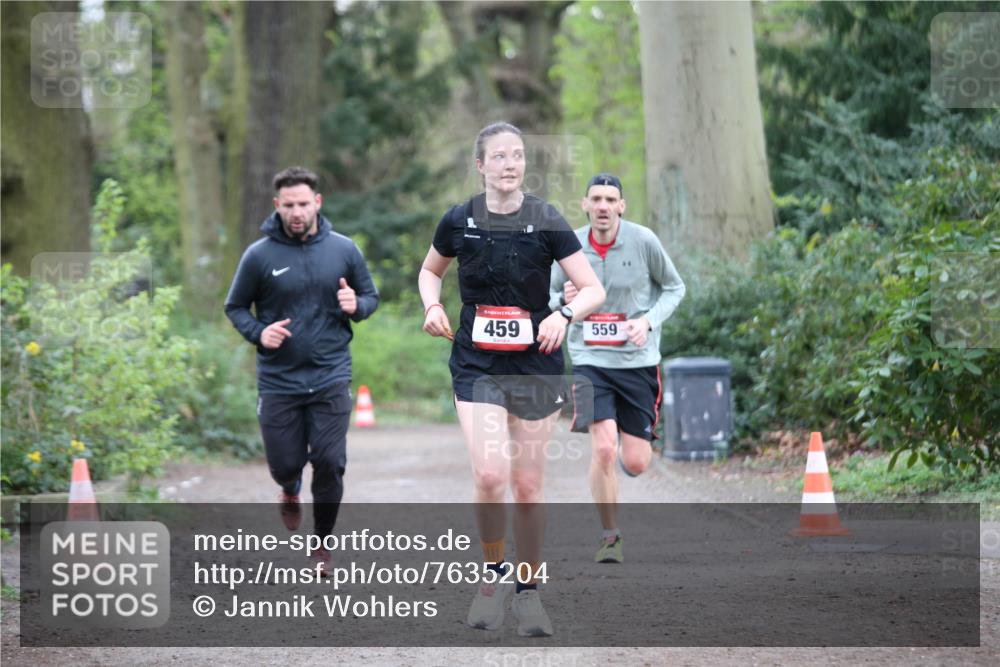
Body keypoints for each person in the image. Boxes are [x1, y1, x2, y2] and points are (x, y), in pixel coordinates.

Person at [419, 122, 605, 637]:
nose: (509, 164)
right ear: (480, 166)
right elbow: (430, 270)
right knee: (490, 476)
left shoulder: (546, 219)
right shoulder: (458, 221)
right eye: (499, 156)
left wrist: (563, 317)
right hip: (476, 362)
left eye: (517, 156)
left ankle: (527, 592)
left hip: (534, 362)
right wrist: (431, 304)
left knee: (526, 486)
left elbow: (591, 289)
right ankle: (492, 574)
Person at [224, 166, 379, 573]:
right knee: (284, 465)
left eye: (303, 204)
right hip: (279, 380)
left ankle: (323, 545)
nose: (296, 212)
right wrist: (259, 333)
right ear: (277, 206)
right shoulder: (258, 256)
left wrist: (356, 307)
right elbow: (235, 306)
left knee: (330, 461)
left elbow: (369, 296)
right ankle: (289, 488)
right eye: (289, 205)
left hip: (330, 374)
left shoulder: (344, 249)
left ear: (318, 203)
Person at [549, 173, 685, 564]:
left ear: (621, 206)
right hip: (591, 360)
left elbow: (675, 288)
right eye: (597, 199)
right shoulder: (570, 245)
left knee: (637, 463)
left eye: (611, 199)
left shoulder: (643, 241)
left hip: (638, 363)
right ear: (585, 204)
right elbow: (549, 293)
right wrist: (564, 298)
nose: (604, 206)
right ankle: (611, 536)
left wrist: (647, 322)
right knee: (604, 447)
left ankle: (624, 464)